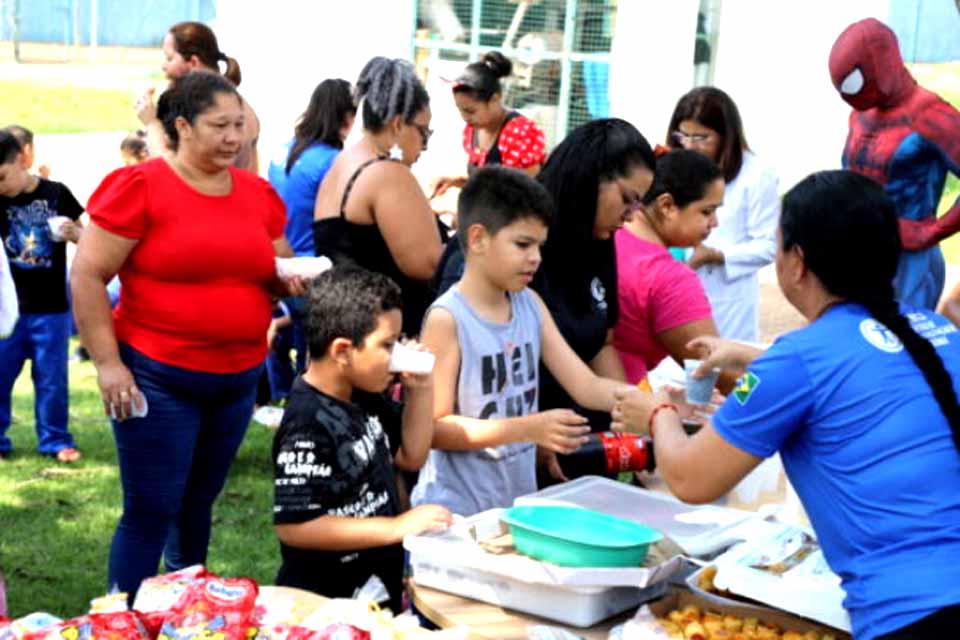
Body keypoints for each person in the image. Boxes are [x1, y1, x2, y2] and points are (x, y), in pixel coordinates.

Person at [612, 170, 960, 640]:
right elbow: (861, 365)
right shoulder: (936, 332)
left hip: (912, 612)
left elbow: (691, 478)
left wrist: (656, 414)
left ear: (796, 262)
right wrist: (750, 356)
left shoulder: (798, 359)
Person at [71, 72, 301, 599]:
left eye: (240, 124)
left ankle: (183, 609)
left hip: (236, 380)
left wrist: (290, 278)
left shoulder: (256, 193)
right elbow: (86, 275)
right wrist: (109, 365)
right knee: (152, 508)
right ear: (181, 126)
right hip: (156, 377)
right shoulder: (141, 187)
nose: (234, 138)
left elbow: (279, 262)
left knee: (198, 503)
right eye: (220, 125)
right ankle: (122, 620)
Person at [410, 167, 633, 516]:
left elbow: (586, 385)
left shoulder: (530, 304)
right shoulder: (448, 319)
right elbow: (434, 429)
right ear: (479, 238)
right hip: (454, 512)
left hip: (513, 507)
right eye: (523, 244)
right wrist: (528, 428)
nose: (536, 258)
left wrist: (654, 404)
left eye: (540, 246)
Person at [272, 266, 452, 613]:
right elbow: (295, 526)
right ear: (342, 351)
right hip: (327, 603)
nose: (397, 353)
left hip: (374, 590)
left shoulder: (362, 392)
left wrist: (422, 389)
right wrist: (396, 527)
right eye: (388, 344)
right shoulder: (307, 423)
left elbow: (412, 455)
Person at [829, 17, 960, 310]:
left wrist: (931, 231)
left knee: (901, 346)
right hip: (857, 252)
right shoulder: (861, 114)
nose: (851, 96)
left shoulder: (931, 115)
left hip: (909, 262)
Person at [314, 57, 443, 338]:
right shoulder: (388, 174)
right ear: (397, 124)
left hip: (344, 330)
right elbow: (429, 265)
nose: (424, 145)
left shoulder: (343, 164)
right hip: (383, 339)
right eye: (423, 132)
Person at [265, 79, 356, 402]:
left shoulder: (283, 150)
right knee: (312, 356)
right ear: (346, 117)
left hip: (279, 264)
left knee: (284, 338)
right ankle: (304, 407)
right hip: (313, 272)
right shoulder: (332, 160)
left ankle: (281, 397)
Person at [666, 87, 779, 342]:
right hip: (676, 288)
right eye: (683, 135)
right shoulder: (676, 168)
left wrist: (718, 256)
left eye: (701, 137)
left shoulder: (757, 175)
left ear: (725, 137)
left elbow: (769, 244)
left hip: (727, 299)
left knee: (725, 369)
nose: (689, 145)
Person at [613, 149, 730, 388]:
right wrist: (759, 391)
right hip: (622, 408)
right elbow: (717, 372)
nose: (715, 223)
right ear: (666, 205)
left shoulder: (610, 234)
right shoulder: (668, 278)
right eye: (707, 211)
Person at [0, 130, 83, 462]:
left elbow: (88, 238)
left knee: (51, 379)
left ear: (22, 159)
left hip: (51, 309)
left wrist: (74, 232)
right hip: (8, 310)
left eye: (2, 176)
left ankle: (55, 440)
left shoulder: (57, 194)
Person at [136, 21, 261, 172]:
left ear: (193, 63)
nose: (164, 67)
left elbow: (172, 175)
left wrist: (152, 124)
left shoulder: (210, 112)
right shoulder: (235, 103)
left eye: (169, 59)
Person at [431, 51, 547, 197]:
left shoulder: (518, 132)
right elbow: (486, 183)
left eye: (471, 111)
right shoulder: (472, 131)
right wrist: (455, 181)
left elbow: (525, 188)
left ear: (494, 99)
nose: (465, 117)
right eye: (460, 110)